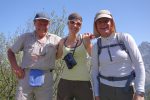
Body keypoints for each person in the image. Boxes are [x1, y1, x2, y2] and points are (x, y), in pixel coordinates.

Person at [91, 9, 145, 100]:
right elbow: (95, 71)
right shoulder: (96, 46)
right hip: (104, 90)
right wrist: (96, 94)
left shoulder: (125, 38)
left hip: (126, 90)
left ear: (112, 23)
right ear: (96, 26)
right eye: (99, 22)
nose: (103, 24)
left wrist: (140, 92)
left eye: (106, 21)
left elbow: (139, 64)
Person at [7, 12, 61, 100]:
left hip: (46, 78)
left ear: (49, 25)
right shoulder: (25, 37)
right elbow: (10, 52)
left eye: (45, 24)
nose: (42, 26)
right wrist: (16, 68)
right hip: (25, 77)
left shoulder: (56, 39)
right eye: (40, 23)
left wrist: (83, 38)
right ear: (34, 23)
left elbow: (69, 43)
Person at [56, 12, 94, 100]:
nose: (75, 25)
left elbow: (93, 55)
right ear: (67, 23)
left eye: (78, 24)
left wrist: (88, 43)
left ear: (81, 26)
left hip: (83, 82)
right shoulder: (62, 41)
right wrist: (52, 48)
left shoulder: (84, 39)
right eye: (72, 22)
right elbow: (57, 57)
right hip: (65, 81)